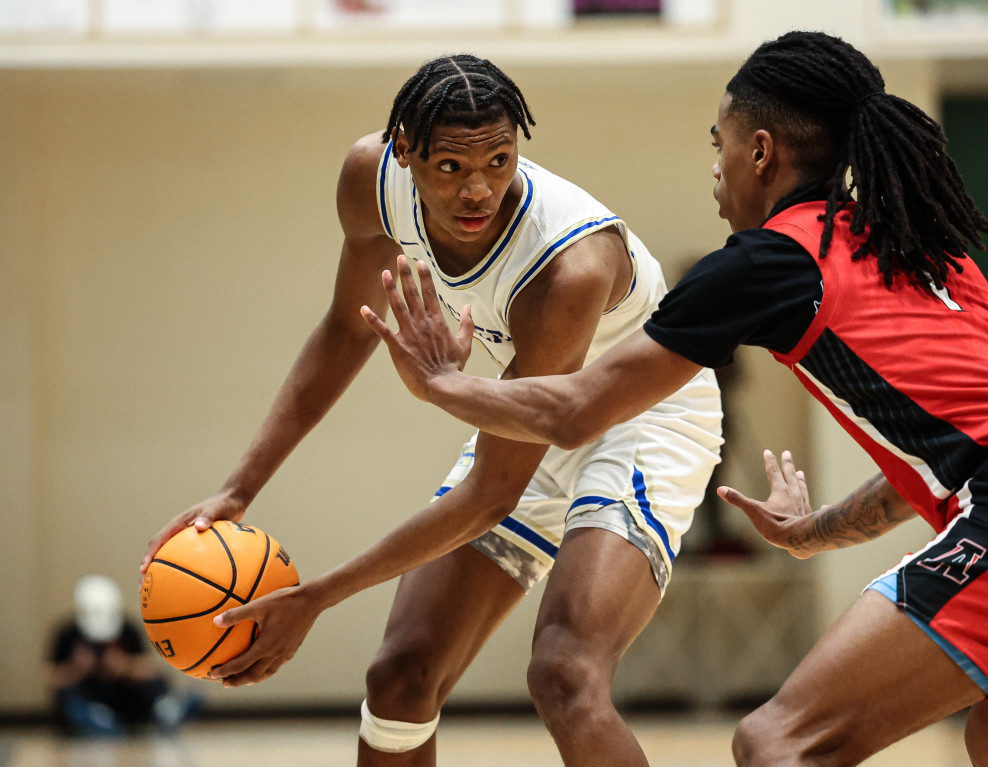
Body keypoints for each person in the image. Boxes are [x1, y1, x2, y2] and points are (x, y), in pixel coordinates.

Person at [359, 31, 988, 767]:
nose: (713, 166)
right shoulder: (922, 245)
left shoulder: (765, 261)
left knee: (776, 743)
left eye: (716, 143)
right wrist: (817, 530)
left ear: (760, 152)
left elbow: (581, 409)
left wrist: (445, 384)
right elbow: (960, 451)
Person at [139, 54, 722, 767]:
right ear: (406, 153)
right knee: (401, 677)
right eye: (450, 167)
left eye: (500, 160)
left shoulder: (571, 264)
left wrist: (317, 597)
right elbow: (348, 328)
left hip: (642, 418)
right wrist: (239, 487)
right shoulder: (370, 179)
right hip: (526, 408)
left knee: (565, 675)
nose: (479, 188)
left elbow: (492, 492)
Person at [48, 575, 197, 737]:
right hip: (89, 695)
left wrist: (125, 667)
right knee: (68, 696)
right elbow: (51, 678)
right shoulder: (67, 634)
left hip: (124, 696)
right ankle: (95, 718)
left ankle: (164, 711)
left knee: (154, 684)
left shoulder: (128, 629)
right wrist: (77, 669)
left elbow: (152, 669)